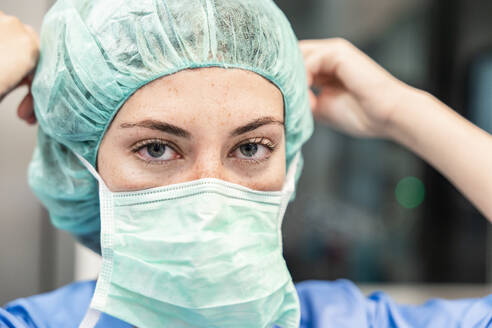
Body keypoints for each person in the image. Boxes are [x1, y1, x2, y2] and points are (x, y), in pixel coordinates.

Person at [1, 1, 492, 327]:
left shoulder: (342, 320)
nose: (210, 197)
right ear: (79, 161)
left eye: (251, 148)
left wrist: (405, 111)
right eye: (156, 148)